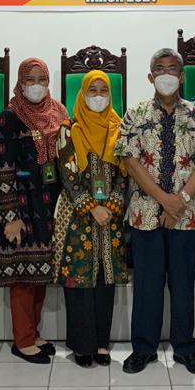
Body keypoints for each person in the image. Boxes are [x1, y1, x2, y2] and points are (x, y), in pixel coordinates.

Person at [116, 48, 195, 376]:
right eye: (160, 69)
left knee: (183, 283)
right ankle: (143, 349)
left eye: (173, 69)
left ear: (182, 76)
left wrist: (180, 200)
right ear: (150, 77)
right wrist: (164, 199)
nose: (166, 75)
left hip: (187, 215)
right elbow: (130, 161)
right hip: (145, 213)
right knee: (147, 284)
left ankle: (185, 348)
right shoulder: (134, 114)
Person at [0, 57, 69, 364]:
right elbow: (2, 170)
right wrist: (10, 217)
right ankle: (22, 341)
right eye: (30, 79)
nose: (36, 85)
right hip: (22, 206)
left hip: (50, 206)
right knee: (23, 276)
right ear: (20, 82)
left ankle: (33, 334)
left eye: (42, 79)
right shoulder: (8, 119)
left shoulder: (59, 112)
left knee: (40, 273)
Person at [54, 70, 128, 367]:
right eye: (92, 90)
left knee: (104, 279)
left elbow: (125, 172)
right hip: (77, 215)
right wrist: (90, 207)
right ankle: (82, 345)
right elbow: (67, 174)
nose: (98, 96)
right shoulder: (68, 129)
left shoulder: (119, 127)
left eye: (103, 90)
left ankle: (100, 343)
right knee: (79, 281)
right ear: (82, 94)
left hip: (110, 216)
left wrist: (112, 203)